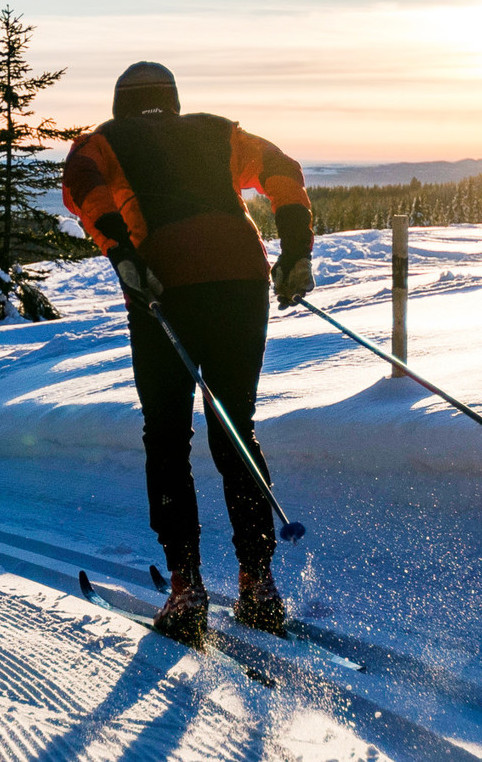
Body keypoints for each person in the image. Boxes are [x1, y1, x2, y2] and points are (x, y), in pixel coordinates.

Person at [62, 61, 316, 644]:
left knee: (169, 434)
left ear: (121, 102)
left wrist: (123, 253)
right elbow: (283, 170)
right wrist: (296, 250)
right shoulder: (219, 131)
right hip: (239, 281)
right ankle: (257, 584)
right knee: (235, 425)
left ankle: (187, 589)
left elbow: (82, 188)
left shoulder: (101, 141)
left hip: (163, 285)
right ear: (174, 101)